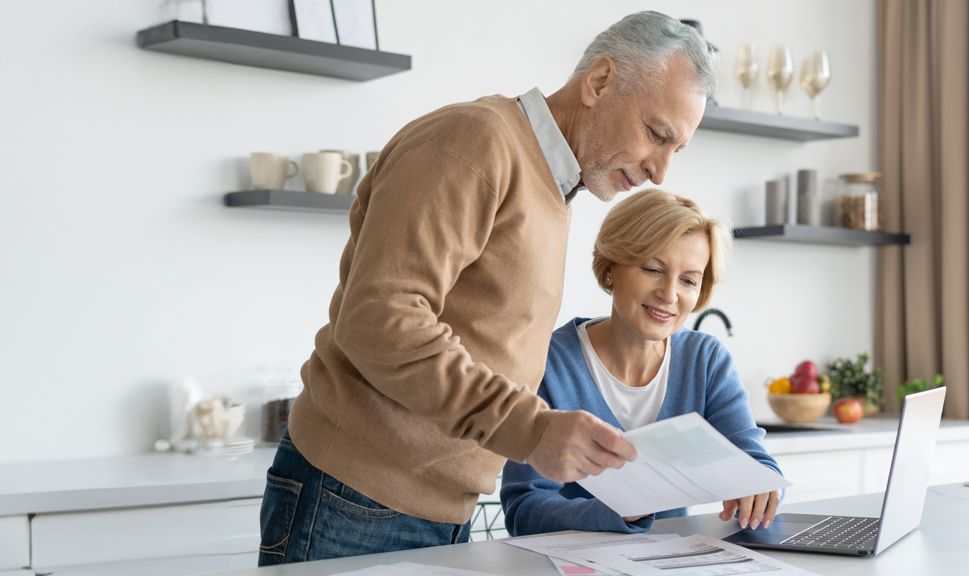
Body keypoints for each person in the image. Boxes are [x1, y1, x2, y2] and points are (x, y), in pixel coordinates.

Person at [258, 12, 715, 565]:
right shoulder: (475, 142)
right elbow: (380, 317)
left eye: (676, 150)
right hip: (353, 499)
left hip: (437, 510)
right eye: (657, 134)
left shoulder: (552, 187)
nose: (661, 171)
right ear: (600, 82)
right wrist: (530, 428)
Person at [501, 190, 782, 535]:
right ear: (610, 269)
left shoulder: (705, 361)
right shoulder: (548, 362)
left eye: (689, 280)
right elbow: (524, 509)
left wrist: (762, 487)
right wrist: (619, 512)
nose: (669, 294)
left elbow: (754, 461)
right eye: (652, 269)